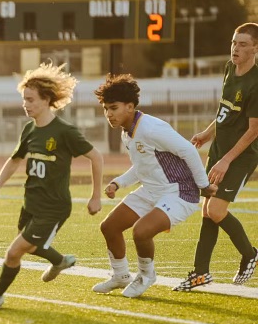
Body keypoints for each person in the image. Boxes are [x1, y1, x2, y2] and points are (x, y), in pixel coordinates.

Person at [0, 62, 103, 310]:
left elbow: (96, 156)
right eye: (24, 99)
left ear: (47, 100)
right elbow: (14, 161)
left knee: (14, 252)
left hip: (53, 207)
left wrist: (95, 196)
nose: (26, 104)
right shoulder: (29, 129)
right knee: (32, 246)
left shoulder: (65, 132)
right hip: (30, 203)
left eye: (31, 99)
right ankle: (60, 260)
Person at [92, 74, 217, 298]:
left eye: (113, 108)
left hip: (179, 193)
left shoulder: (150, 128)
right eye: (105, 109)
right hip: (152, 191)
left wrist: (203, 184)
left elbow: (188, 150)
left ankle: (146, 275)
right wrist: (117, 183)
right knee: (109, 227)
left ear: (130, 106)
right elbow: (142, 168)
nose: (108, 114)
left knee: (141, 231)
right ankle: (120, 276)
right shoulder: (127, 132)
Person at [174, 23, 258, 291]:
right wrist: (208, 133)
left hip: (241, 156)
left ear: (256, 48)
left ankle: (250, 254)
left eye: (243, 44)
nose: (236, 48)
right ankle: (200, 273)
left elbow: (254, 130)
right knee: (207, 212)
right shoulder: (228, 69)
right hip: (219, 150)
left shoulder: (256, 82)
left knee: (216, 209)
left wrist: (227, 161)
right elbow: (225, 111)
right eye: (234, 42)